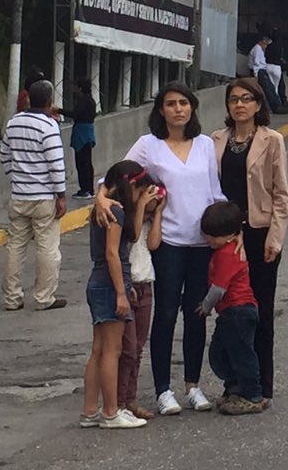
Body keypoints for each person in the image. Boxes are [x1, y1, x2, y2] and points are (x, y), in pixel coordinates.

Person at [95, 81, 225, 416]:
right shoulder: (148, 145)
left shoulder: (205, 145)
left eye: (184, 102)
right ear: (161, 109)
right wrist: (100, 197)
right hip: (166, 244)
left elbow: (215, 191)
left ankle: (193, 386)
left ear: (192, 107)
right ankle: (164, 390)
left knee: (197, 315)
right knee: (165, 316)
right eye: (171, 103)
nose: (178, 109)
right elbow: (115, 179)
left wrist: (230, 230)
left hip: (201, 244)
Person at [212, 78, 288, 408]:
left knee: (258, 313)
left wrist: (275, 237)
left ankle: (261, 387)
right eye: (234, 99)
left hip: (259, 236)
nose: (240, 104)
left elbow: (281, 194)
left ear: (258, 104)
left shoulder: (272, 141)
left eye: (247, 99)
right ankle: (234, 382)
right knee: (229, 313)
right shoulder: (216, 140)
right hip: (223, 238)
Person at [80, 160, 160, 430]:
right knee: (112, 351)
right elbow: (113, 253)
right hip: (110, 283)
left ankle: (90, 411)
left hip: (97, 281)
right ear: (133, 186)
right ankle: (112, 411)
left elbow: (130, 237)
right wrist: (121, 293)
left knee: (98, 350)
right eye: (140, 191)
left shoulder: (103, 208)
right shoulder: (116, 211)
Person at [0, 80, 67, 311]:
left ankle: (12, 298)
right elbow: (56, 164)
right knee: (47, 248)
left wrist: (17, 177)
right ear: (50, 101)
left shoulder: (14, 123)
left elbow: (4, 156)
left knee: (15, 246)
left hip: (19, 196)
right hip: (44, 197)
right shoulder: (48, 126)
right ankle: (44, 297)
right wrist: (61, 195)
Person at [197, 201, 266, 416]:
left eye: (212, 236)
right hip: (232, 311)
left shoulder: (228, 254)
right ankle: (235, 388)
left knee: (240, 353)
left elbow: (219, 288)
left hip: (238, 310)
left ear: (230, 235)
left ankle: (252, 394)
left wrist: (205, 307)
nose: (208, 239)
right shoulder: (223, 249)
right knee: (223, 352)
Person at [117, 179, 165, 421]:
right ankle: (119, 400)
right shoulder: (126, 221)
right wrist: (140, 207)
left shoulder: (146, 222)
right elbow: (133, 237)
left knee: (137, 348)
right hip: (129, 285)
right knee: (126, 348)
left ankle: (131, 398)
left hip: (146, 283)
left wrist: (157, 214)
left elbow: (153, 243)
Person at [60, 78, 97, 199]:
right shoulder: (90, 100)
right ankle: (89, 189)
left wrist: (59, 110)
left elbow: (75, 114)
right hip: (87, 132)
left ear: (80, 88)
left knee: (82, 162)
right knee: (87, 161)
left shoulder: (83, 101)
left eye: (75, 87)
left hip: (82, 132)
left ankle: (85, 189)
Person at [248, 34, 284, 114]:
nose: (266, 46)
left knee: (270, 88)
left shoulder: (259, 49)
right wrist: (256, 75)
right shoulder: (257, 49)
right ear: (262, 42)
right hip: (259, 71)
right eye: (265, 44)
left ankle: (276, 105)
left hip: (262, 70)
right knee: (268, 89)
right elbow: (256, 64)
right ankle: (275, 107)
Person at [265, 27, 288, 111]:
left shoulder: (268, 46)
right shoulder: (279, 47)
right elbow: (280, 57)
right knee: (276, 86)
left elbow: (266, 56)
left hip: (268, 65)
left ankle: (271, 104)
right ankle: (277, 104)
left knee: (270, 86)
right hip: (276, 67)